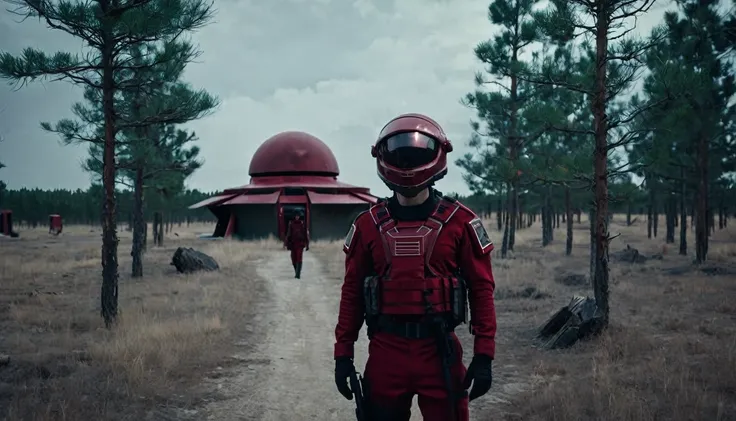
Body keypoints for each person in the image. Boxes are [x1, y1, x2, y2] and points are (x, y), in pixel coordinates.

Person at [333, 113, 497, 421]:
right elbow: (352, 292)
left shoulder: (461, 223)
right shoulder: (367, 225)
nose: (407, 163)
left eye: (415, 155)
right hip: (386, 351)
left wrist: (484, 354)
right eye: (400, 155)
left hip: (439, 352)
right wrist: (343, 353)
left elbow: (481, 289)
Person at [285, 214, 309, 278]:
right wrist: (286, 243)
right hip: (293, 244)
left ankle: (298, 275)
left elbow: (306, 234)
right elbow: (289, 233)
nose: (297, 217)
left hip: (300, 244)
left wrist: (307, 244)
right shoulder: (291, 224)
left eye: (298, 216)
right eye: (296, 216)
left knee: (299, 258)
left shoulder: (302, 224)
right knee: (293, 259)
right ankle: (296, 271)